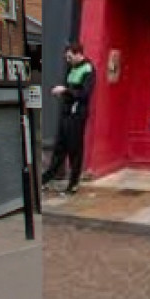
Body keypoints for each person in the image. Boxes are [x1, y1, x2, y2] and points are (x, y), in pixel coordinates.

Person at [42, 42, 95, 195]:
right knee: (60, 147)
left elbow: (85, 94)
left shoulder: (88, 69)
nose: (68, 59)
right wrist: (63, 92)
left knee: (74, 149)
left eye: (70, 56)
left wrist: (66, 90)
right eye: (66, 57)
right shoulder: (72, 68)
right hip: (66, 112)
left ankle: (73, 184)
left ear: (78, 53)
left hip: (77, 115)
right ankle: (46, 179)